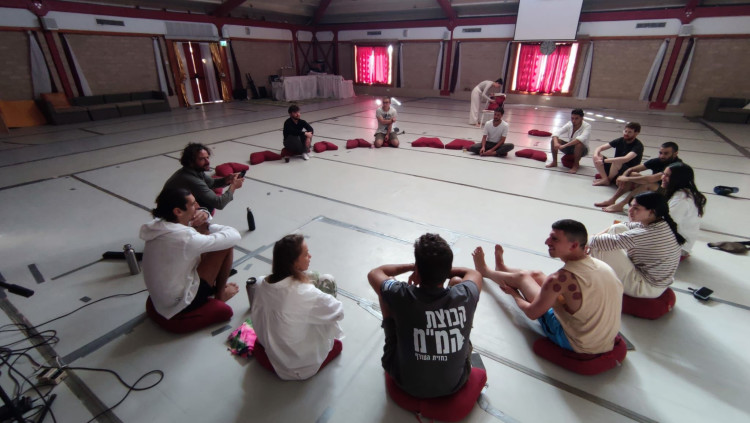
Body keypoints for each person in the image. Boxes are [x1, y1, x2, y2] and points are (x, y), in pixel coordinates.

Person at [472, 220, 622, 354]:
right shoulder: (602, 266)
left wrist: (514, 294)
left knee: (523, 278)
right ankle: (502, 268)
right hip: (603, 338)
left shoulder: (560, 279)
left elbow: (532, 313)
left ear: (574, 245)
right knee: (537, 274)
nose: (546, 242)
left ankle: (485, 271)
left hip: (577, 342)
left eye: (554, 239)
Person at [368, 233, 482, 398]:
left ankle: (393, 342)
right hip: (454, 384)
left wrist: (413, 267)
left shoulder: (402, 295)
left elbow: (376, 273)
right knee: (458, 282)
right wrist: (441, 270)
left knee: (386, 289)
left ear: (418, 271)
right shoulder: (465, 294)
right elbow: (473, 273)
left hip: (404, 381)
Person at [140, 188, 240, 328]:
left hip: (164, 298)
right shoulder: (184, 238)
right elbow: (234, 236)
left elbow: (198, 219)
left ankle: (213, 288)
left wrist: (204, 215)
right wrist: (210, 226)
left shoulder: (159, 225)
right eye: (193, 204)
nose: (198, 206)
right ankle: (220, 295)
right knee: (225, 245)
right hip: (181, 303)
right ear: (178, 211)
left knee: (202, 230)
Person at [251, 234, 344, 380]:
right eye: (306, 254)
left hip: (270, 355)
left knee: (312, 276)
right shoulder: (304, 293)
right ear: (294, 263)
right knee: (327, 279)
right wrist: (315, 297)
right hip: (297, 368)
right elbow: (338, 312)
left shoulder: (260, 282)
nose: (310, 256)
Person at [589, 192, 685, 298]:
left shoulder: (648, 233)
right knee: (617, 228)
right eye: (630, 206)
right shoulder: (659, 223)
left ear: (651, 212)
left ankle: (589, 273)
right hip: (653, 279)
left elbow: (600, 242)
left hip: (645, 286)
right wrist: (594, 237)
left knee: (600, 247)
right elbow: (622, 225)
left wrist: (584, 239)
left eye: (636, 208)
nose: (630, 210)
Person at [595, 142, 681, 213]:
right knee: (632, 174)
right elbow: (633, 169)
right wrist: (624, 175)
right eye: (660, 153)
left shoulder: (675, 166)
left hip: (668, 193)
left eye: (666, 153)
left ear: (675, 154)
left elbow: (652, 178)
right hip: (656, 187)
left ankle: (621, 205)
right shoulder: (659, 160)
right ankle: (612, 200)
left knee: (648, 184)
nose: (662, 156)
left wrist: (626, 178)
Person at [163, 143, 244, 214]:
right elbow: (219, 203)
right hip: (172, 215)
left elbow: (212, 183)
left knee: (206, 204)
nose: (208, 162)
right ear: (190, 162)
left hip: (178, 206)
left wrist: (227, 179)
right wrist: (233, 187)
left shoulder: (194, 170)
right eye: (202, 159)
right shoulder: (191, 179)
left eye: (207, 157)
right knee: (207, 206)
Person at [661, 163, 707, 258]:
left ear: (678, 179)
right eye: (663, 174)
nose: (663, 177)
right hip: (679, 243)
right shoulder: (685, 193)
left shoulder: (681, 200)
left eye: (667, 176)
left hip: (678, 248)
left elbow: (664, 226)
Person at [546, 108, 591, 174]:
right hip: (570, 147)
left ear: (582, 118)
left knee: (579, 144)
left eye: (576, 118)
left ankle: (575, 166)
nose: (573, 121)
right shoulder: (570, 124)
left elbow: (580, 139)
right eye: (572, 118)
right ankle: (554, 162)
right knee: (554, 140)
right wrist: (555, 143)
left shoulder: (587, 126)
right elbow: (557, 132)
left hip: (582, 150)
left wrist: (564, 146)